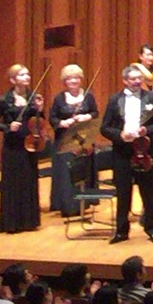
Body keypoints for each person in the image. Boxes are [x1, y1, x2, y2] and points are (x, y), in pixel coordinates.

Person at [105, 62, 153, 243]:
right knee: (123, 193)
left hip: (146, 151)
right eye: (133, 79)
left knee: (149, 193)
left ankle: (152, 229)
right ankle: (122, 231)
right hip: (123, 153)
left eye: (139, 78)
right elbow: (105, 128)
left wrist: (147, 131)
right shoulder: (114, 100)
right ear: (125, 81)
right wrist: (120, 135)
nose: (137, 82)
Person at [0, 64, 43, 233]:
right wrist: (8, 126)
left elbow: (39, 120)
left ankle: (29, 221)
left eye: (27, 74)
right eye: (22, 75)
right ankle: (11, 222)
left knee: (28, 181)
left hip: (29, 145)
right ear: (13, 80)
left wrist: (40, 110)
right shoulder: (4, 100)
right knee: (13, 183)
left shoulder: (33, 96)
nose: (27, 77)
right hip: (12, 147)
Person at [48, 64, 100, 218]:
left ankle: (84, 203)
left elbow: (95, 112)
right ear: (65, 81)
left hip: (83, 140)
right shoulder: (59, 98)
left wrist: (87, 116)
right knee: (66, 171)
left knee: (83, 169)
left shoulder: (88, 95)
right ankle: (68, 205)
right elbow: (52, 118)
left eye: (76, 78)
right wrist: (62, 123)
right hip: (65, 140)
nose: (73, 81)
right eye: (70, 78)